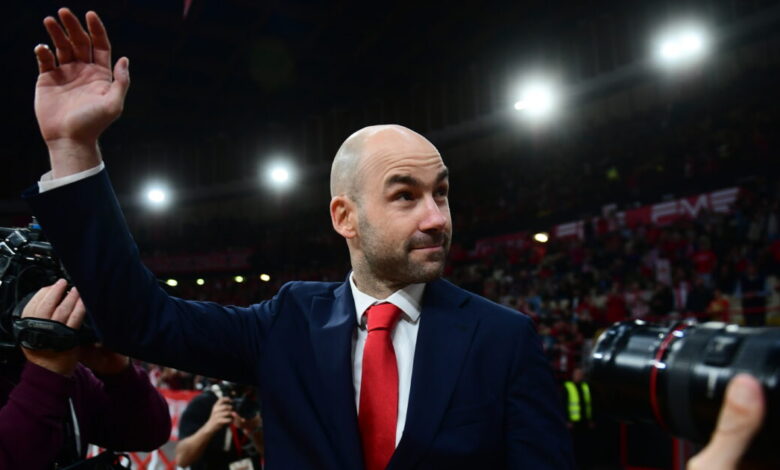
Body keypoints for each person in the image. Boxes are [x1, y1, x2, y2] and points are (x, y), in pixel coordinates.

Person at [25, 8, 574, 470]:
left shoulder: (504, 339)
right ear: (345, 217)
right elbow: (140, 320)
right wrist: (74, 148)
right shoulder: (287, 323)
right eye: (405, 195)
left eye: (442, 193)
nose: (436, 218)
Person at [0, 280, 171, 469]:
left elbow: (148, 434)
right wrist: (44, 375)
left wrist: (118, 374)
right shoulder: (51, 371)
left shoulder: (69, 371)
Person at [176, 383, 264, 470]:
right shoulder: (204, 402)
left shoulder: (260, 401)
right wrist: (210, 426)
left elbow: (268, 453)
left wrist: (254, 431)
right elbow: (182, 460)